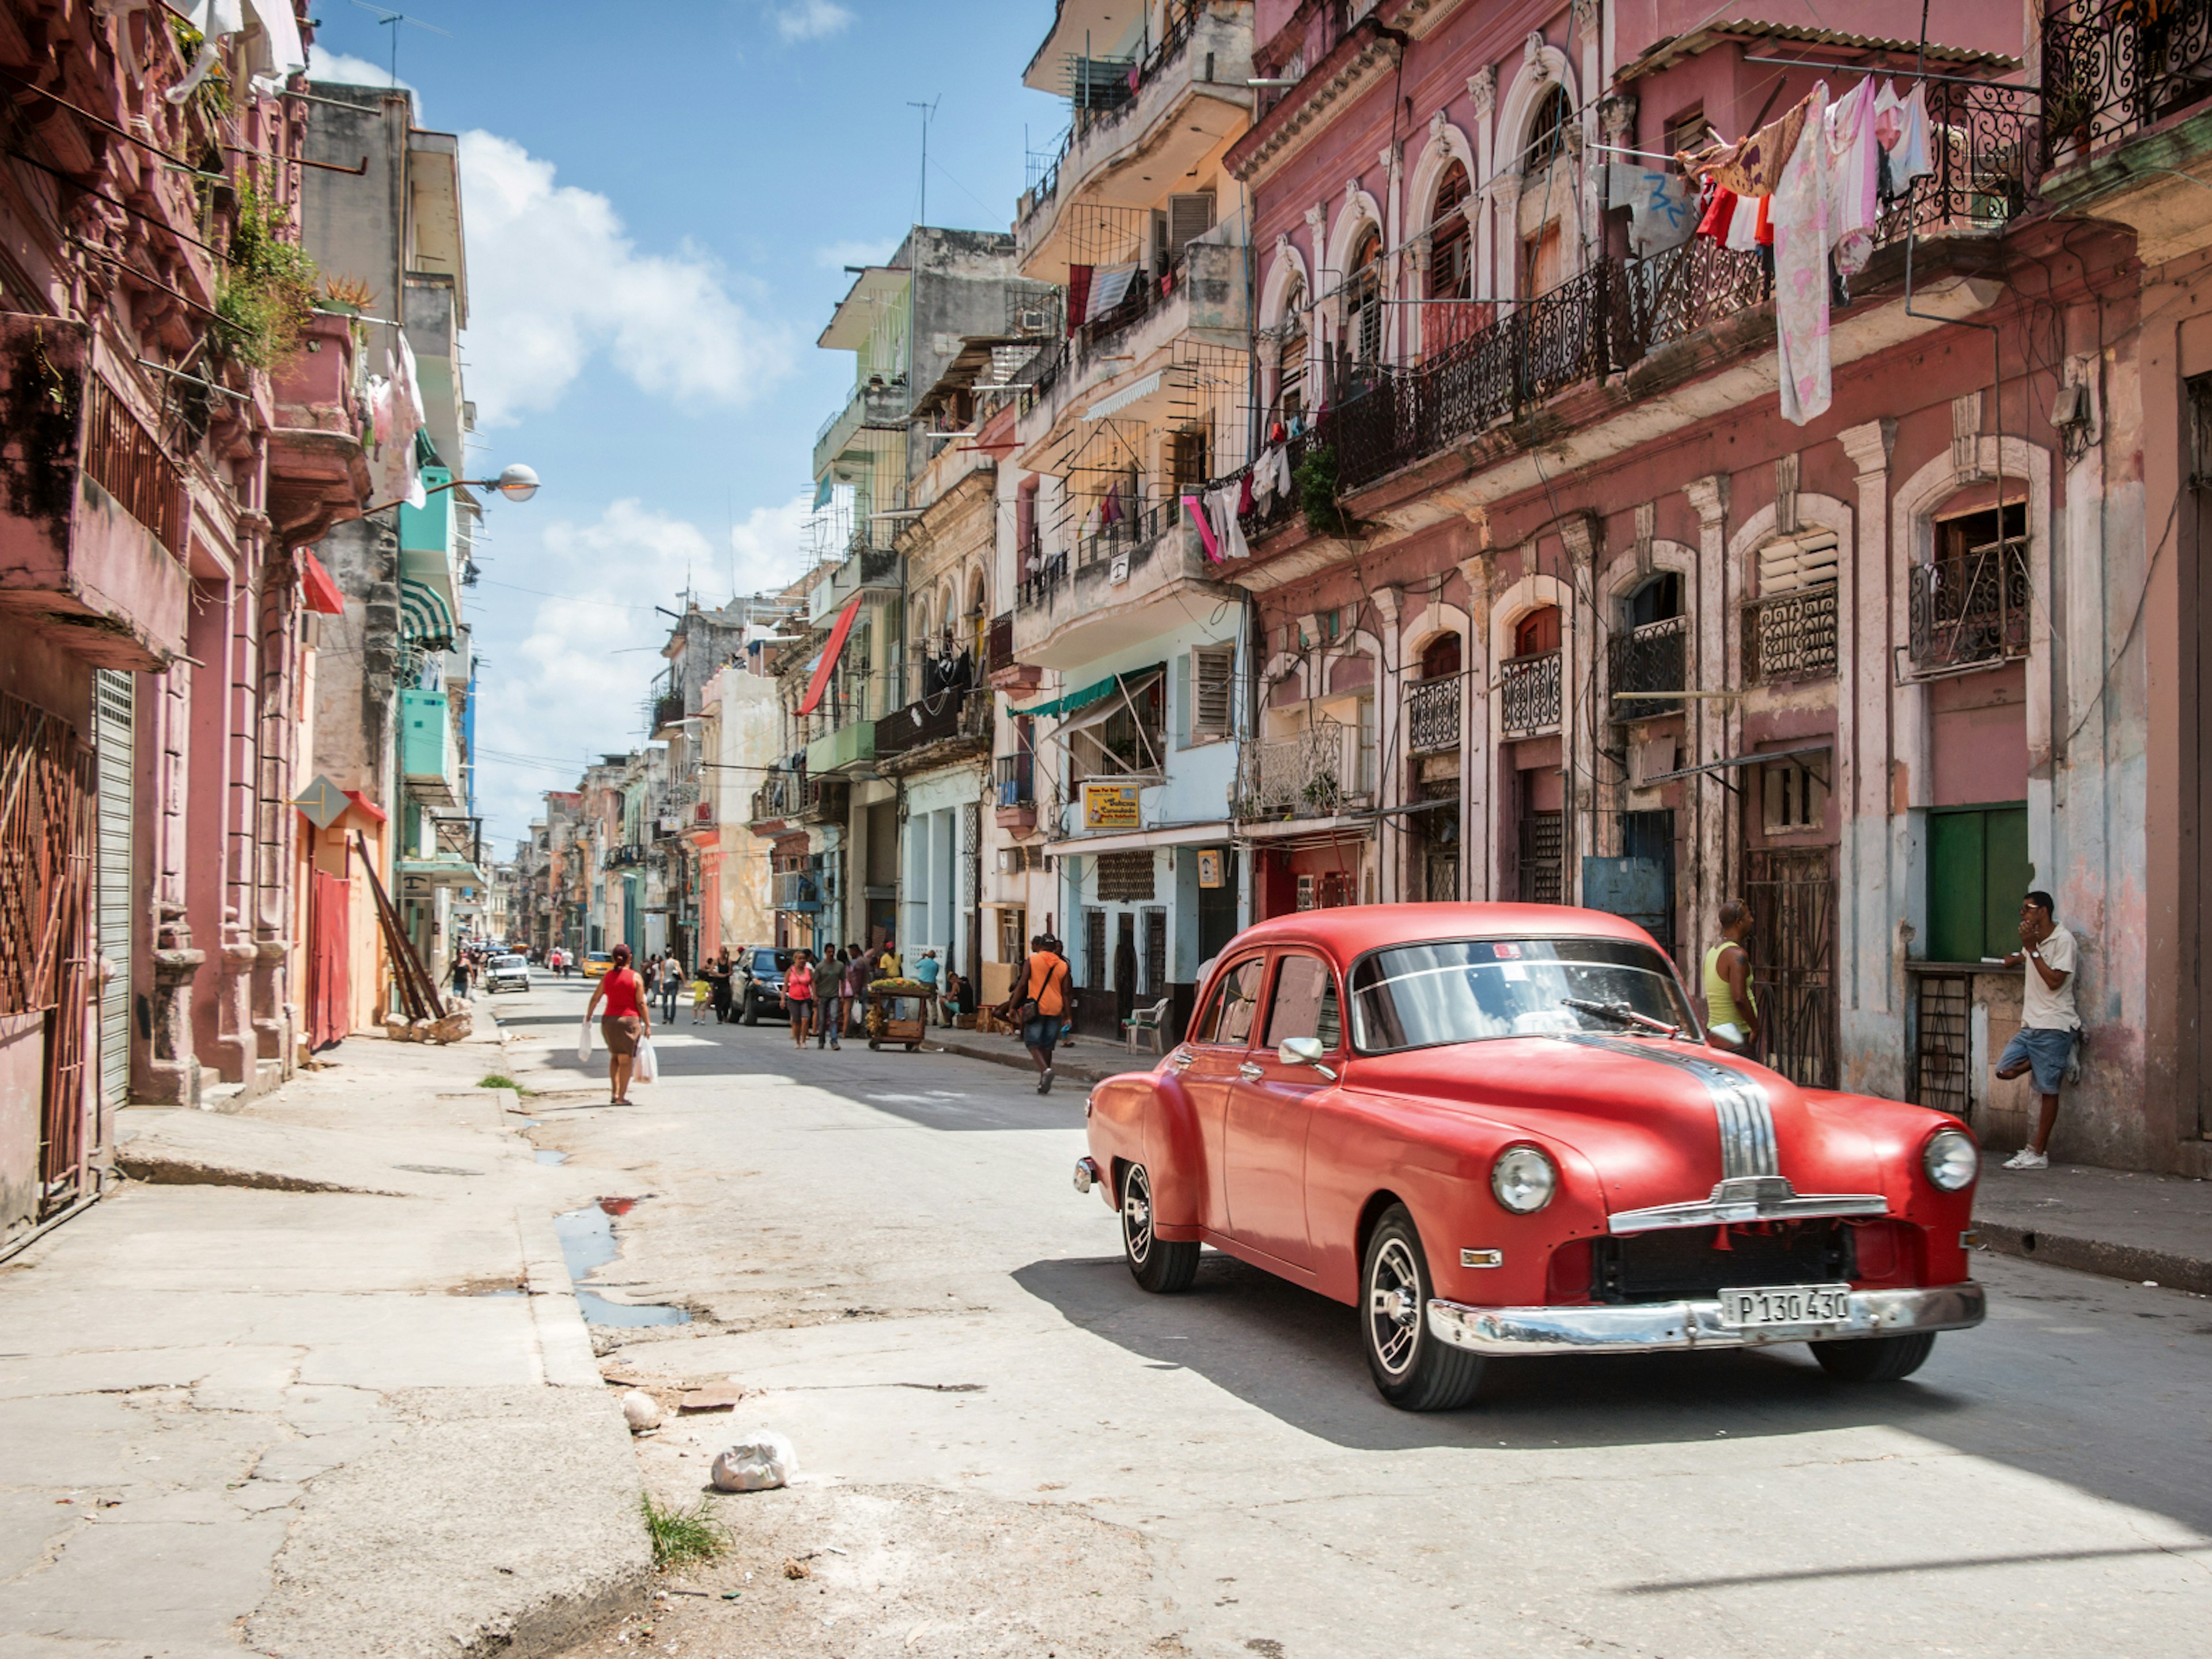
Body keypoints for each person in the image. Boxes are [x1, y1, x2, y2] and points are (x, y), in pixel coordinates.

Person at [1994, 890, 2081, 1171]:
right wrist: (2016, 958)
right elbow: (2027, 956)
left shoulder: (2064, 941)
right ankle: (2057, 1057)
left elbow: (2055, 980)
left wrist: (2031, 950)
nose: (2023, 914)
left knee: (2048, 1090)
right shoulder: (2035, 941)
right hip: (2031, 1023)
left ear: (2043, 911)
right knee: (2005, 1070)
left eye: (2027, 909)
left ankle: (2038, 1152)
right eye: (2022, 910)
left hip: (2055, 1022)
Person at [584, 942, 651, 1105]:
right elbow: (641, 1003)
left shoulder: (608, 976)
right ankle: (621, 1097)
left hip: (609, 1022)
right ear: (630, 958)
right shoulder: (635, 977)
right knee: (626, 1060)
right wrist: (648, 1024)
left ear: (614, 958)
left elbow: (596, 997)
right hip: (629, 1021)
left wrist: (589, 1016)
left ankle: (614, 1094)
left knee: (614, 1057)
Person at [1005, 933, 1071, 1094]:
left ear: (1040, 946)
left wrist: (1012, 1006)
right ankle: (1044, 1080)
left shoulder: (1033, 961)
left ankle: (1046, 1071)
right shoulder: (1063, 965)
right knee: (1048, 1045)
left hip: (1037, 1007)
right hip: (1055, 1008)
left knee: (1032, 1042)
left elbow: (1022, 984)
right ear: (1053, 947)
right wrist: (1068, 1015)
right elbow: (1067, 993)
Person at [1703, 900, 1760, 1056]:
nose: (1752, 921)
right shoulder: (1737, 956)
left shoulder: (1713, 952)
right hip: (1736, 1039)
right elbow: (1739, 998)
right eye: (1749, 917)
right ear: (1739, 922)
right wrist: (1755, 1028)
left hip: (1715, 1034)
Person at [785, 949, 817, 1048]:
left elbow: (813, 984)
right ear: (795, 960)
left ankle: (804, 1040)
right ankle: (797, 1041)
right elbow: (786, 985)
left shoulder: (809, 971)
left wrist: (815, 996)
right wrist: (783, 998)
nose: (802, 961)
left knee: (806, 1019)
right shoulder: (790, 971)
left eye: (804, 959)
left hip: (806, 998)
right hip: (793, 998)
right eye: (800, 959)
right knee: (796, 1021)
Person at [913, 948, 942, 1025]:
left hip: (923, 983)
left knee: (923, 1001)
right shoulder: (936, 965)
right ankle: (934, 1018)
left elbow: (916, 966)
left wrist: (922, 958)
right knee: (933, 1001)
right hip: (932, 983)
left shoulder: (924, 962)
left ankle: (924, 1018)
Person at [707, 949, 734, 1024]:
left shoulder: (729, 961)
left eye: (724, 952)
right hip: (717, 983)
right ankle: (719, 1018)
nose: (722, 954)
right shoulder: (716, 961)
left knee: (727, 999)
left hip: (725, 983)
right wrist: (718, 975)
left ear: (726, 953)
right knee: (717, 1000)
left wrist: (727, 975)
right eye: (721, 952)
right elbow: (711, 970)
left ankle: (725, 1014)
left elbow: (731, 971)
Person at [658, 952, 683, 1023]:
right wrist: (684, 981)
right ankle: (672, 1019)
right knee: (673, 1001)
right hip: (674, 982)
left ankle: (665, 1017)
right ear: (672, 954)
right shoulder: (676, 962)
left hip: (665, 982)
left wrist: (661, 984)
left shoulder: (663, 963)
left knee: (665, 1001)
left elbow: (662, 974)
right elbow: (680, 972)